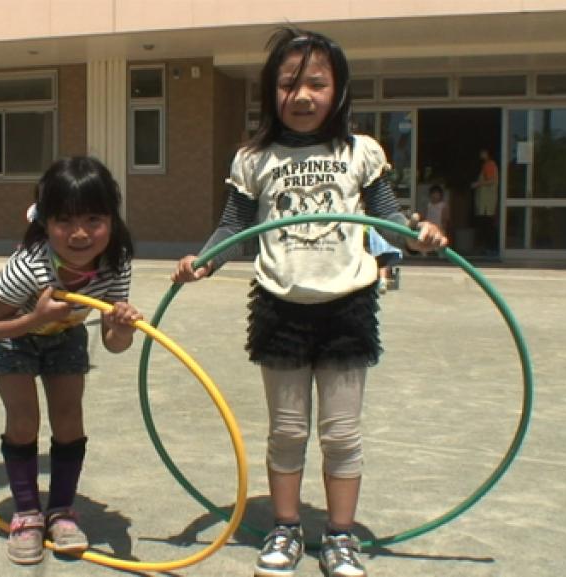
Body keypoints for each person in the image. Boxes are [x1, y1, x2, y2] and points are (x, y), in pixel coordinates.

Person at [171, 28, 448, 577]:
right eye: (288, 84)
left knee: (341, 434)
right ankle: (286, 528)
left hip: (347, 303)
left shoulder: (360, 151)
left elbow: (388, 218)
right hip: (280, 304)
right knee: (288, 431)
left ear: (338, 89)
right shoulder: (253, 157)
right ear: (270, 92)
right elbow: (233, 226)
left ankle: (340, 536)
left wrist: (419, 238)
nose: (301, 96)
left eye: (317, 83)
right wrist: (203, 262)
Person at [0, 156, 142, 565]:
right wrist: (35, 318)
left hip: (64, 334)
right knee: (24, 420)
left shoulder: (115, 263)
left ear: (112, 219)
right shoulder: (28, 268)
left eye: (93, 219)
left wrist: (122, 328)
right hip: (12, 336)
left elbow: (113, 344)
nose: (80, 233)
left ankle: (62, 511)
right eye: (65, 221)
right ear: (46, 223)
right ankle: (27, 515)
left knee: (69, 419)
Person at [470, 148, 498, 252]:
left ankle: (491, 248)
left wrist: (477, 184)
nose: (481, 154)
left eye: (483, 152)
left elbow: (491, 181)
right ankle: (489, 247)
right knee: (487, 224)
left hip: (486, 202)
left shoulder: (489, 165)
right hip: (485, 201)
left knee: (487, 225)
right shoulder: (487, 165)